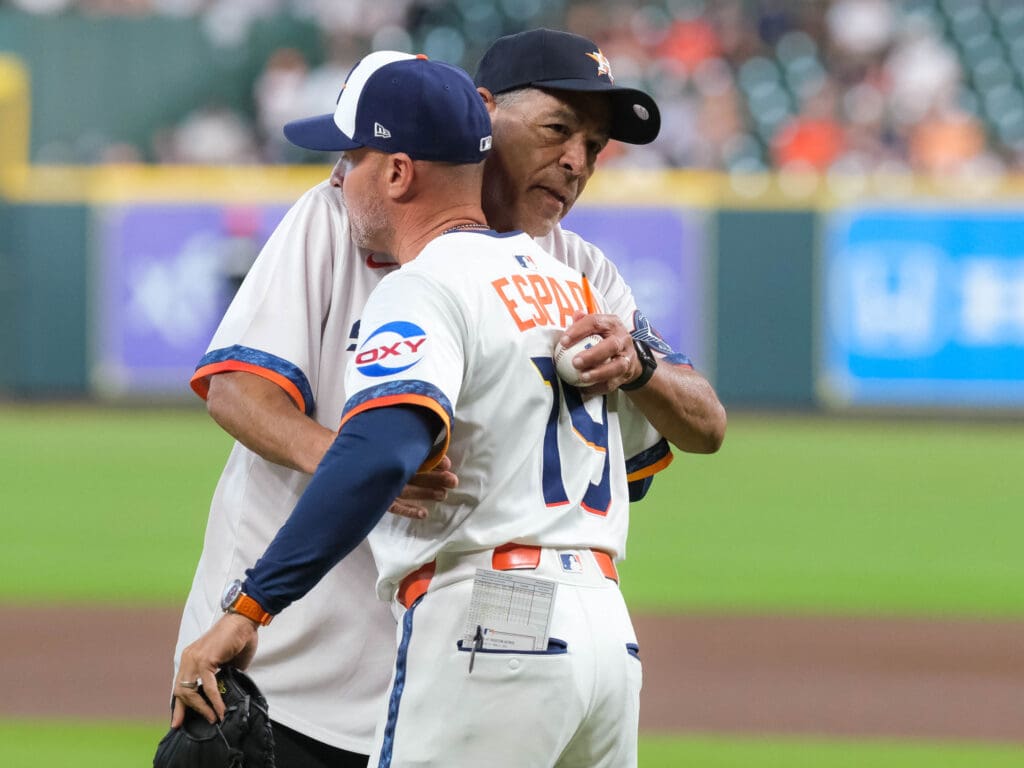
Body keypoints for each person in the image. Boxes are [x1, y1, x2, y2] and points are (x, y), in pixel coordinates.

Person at [174, 28, 726, 768]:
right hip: (304, 664)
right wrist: (350, 461)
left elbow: (705, 423)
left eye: (595, 148)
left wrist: (642, 365)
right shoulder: (342, 213)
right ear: (484, 112)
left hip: (453, 656)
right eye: (560, 130)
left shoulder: (580, 273)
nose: (577, 162)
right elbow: (239, 389)